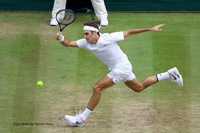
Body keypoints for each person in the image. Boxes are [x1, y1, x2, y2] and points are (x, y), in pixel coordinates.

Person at [55, 21, 183, 127]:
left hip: (122, 68)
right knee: (138, 87)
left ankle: (81, 119)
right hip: (121, 68)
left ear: (95, 32)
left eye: (87, 34)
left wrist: (150, 29)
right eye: (84, 34)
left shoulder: (109, 38)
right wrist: (61, 38)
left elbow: (129, 32)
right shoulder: (85, 43)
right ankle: (170, 74)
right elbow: (69, 43)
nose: (85, 36)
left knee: (97, 88)